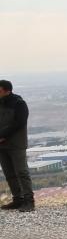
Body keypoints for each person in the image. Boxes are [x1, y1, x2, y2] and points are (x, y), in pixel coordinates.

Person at [0, 80, 34, 212]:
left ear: (7, 90)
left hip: (16, 144)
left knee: (22, 172)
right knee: (9, 173)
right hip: (2, 145)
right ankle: (18, 200)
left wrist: (3, 135)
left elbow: (19, 122)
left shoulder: (19, 103)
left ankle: (29, 202)